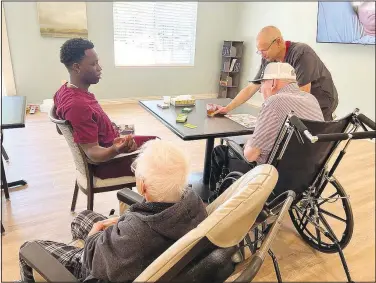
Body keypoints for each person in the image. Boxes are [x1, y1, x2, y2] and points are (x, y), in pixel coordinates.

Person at [19, 139, 207, 282]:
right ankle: (76, 251)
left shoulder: (135, 232)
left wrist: (92, 237)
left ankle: (75, 266)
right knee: (82, 217)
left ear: (143, 187)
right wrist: (121, 224)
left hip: (100, 266)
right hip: (139, 251)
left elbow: (97, 261)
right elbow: (145, 227)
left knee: (27, 250)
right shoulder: (194, 202)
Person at [54, 38, 157, 179]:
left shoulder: (63, 91)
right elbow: (92, 152)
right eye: (93, 64)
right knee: (162, 159)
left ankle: (130, 200)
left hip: (112, 148)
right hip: (107, 165)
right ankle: (152, 199)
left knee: (156, 142)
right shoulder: (78, 106)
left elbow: (61, 129)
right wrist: (116, 149)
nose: (99, 68)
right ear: (77, 67)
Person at [210, 62, 324, 189]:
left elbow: (250, 155)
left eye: (263, 83)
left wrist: (249, 141)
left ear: (273, 82)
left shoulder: (274, 102)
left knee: (220, 150)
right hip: (307, 174)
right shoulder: (312, 99)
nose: (260, 89)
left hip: (272, 175)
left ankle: (216, 199)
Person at [215, 26, 338, 121]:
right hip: (297, 99)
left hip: (321, 100)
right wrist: (228, 108)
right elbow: (252, 87)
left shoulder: (301, 53)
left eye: (264, 50)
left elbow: (303, 94)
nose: (262, 54)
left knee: (314, 140)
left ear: (278, 42)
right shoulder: (268, 59)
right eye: (259, 51)